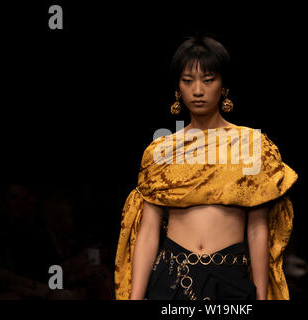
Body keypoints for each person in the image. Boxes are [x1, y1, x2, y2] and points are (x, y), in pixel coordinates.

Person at [115, 34, 298, 300]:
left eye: (208, 80)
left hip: (231, 280)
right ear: (178, 88)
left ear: (224, 86)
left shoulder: (252, 145)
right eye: (188, 81)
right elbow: (148, 230)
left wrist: (261, 296)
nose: (198, 90)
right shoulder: (161, 151)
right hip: (171, 279)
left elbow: (258, 227)